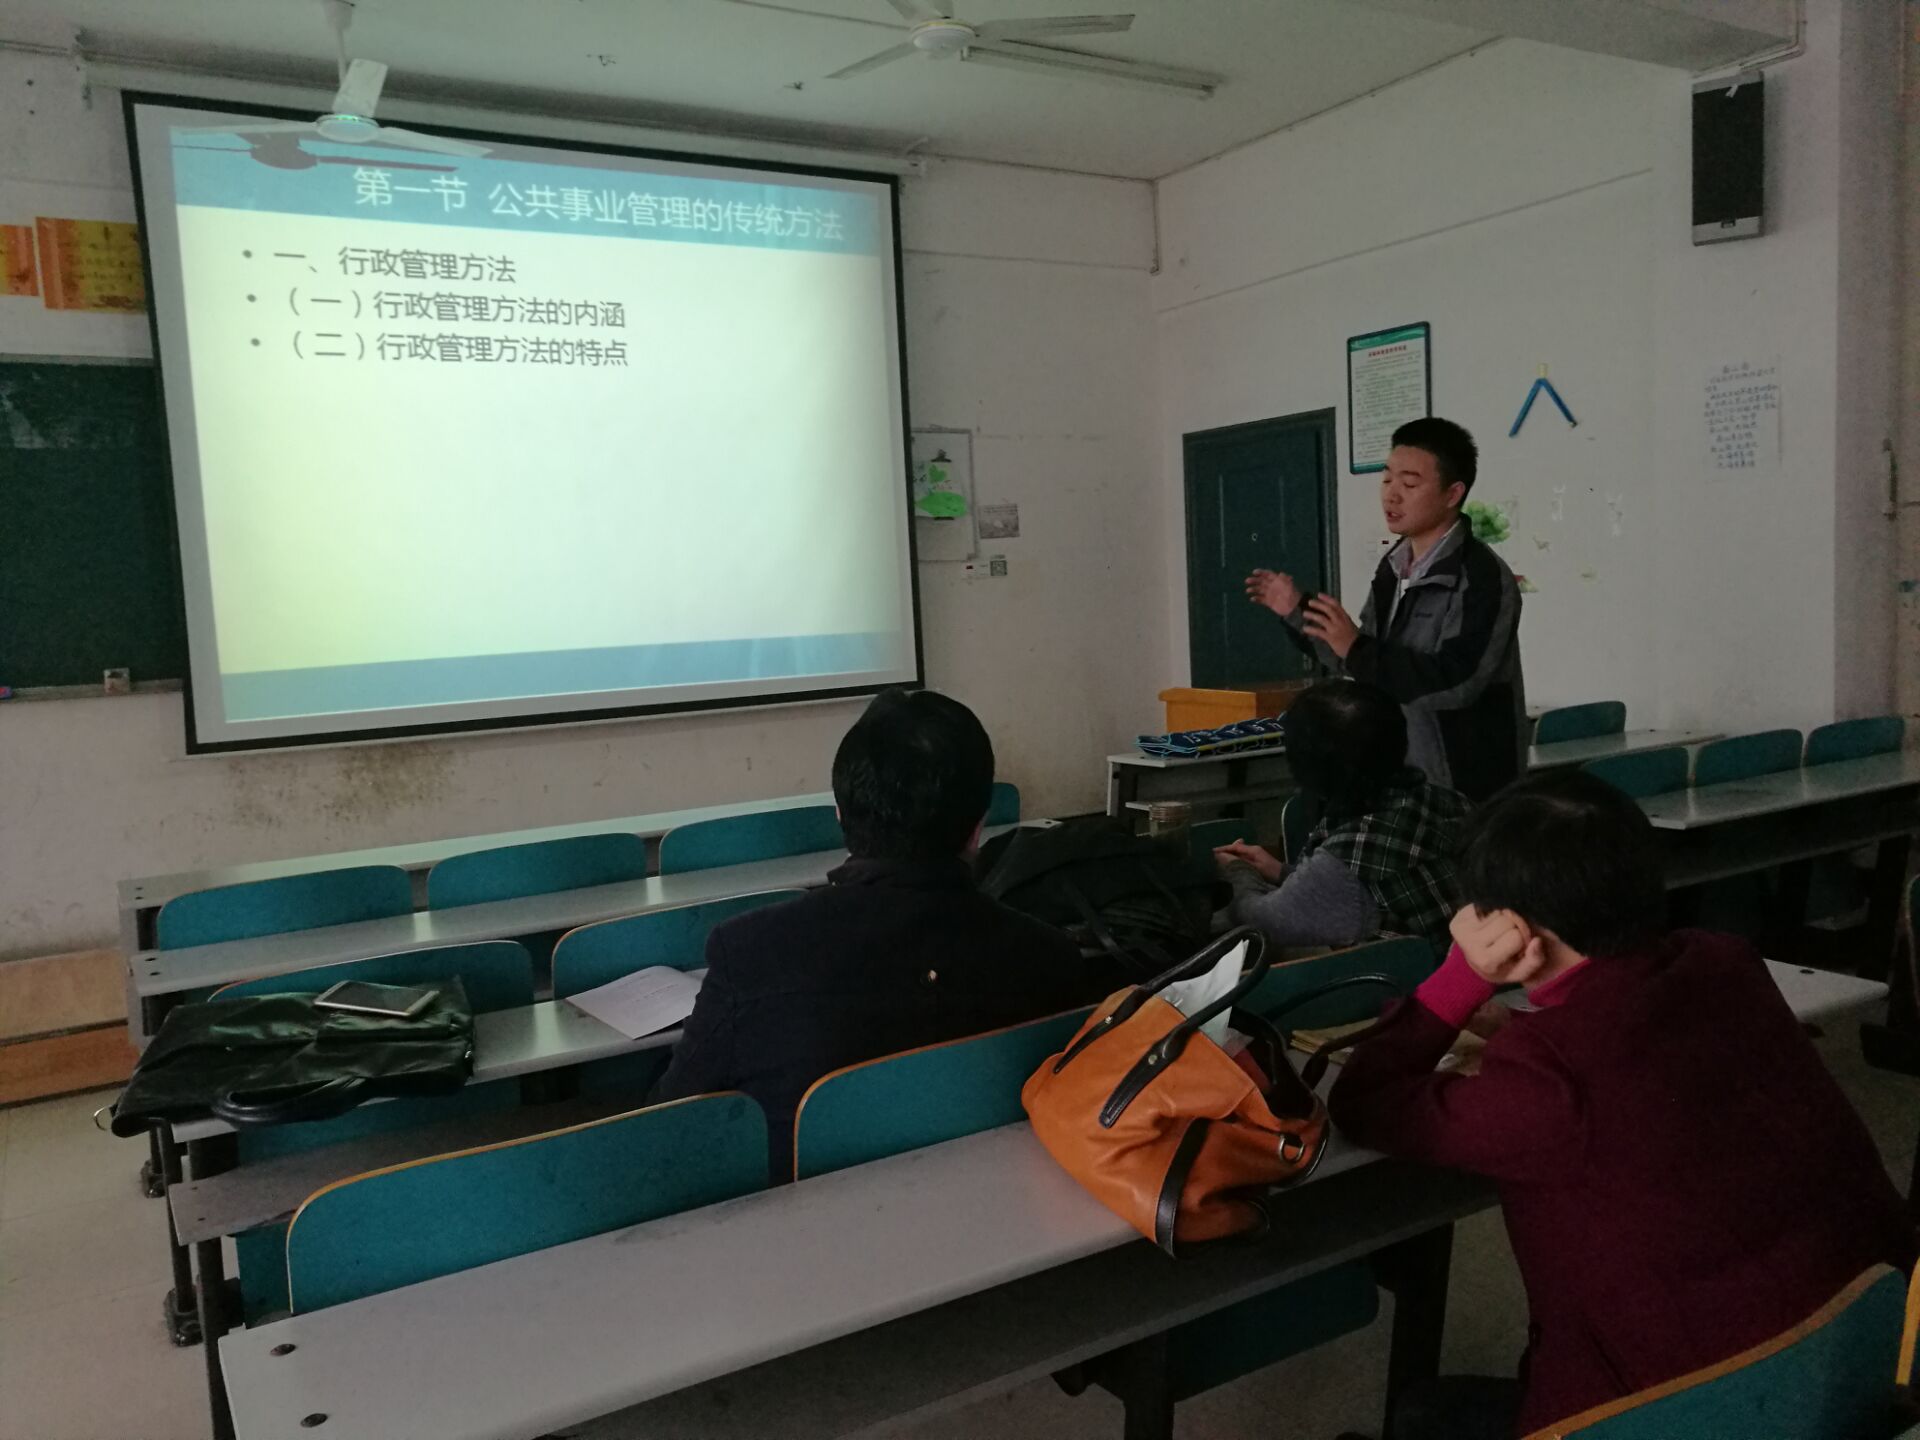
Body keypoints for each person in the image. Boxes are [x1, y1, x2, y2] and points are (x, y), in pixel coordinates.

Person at [1329, 770, 1914, 1440]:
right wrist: (1522, 1025)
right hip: (1858, 1368)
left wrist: (1461, 976)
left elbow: (1365, 1100)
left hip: (1694, 1411)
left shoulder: (1548, 1075)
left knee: (1424, 1414)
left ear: (1514, 931)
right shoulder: (1722, 960)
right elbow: (1641, 1055)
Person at [649, 688, 1112, 1182]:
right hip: (1002, 1199)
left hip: (805, 1219)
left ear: (840, 812)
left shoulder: (751, 953)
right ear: (978, 828)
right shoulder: (1050, 958)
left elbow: (668, 1122)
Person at [1246, 417, 1525, 802]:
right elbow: (1358, 661)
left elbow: (1458, 683)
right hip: (1398, 779)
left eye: (1409, 484)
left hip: (1466, 789)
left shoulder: (1483, 577)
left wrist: (1357, 648)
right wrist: (1296, 611)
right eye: (1387, 479)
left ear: (1452, 494)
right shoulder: (1393, 567)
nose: (1391, 495)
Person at [1213, 679, 1465, 955]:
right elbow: (1353, 893)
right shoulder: (1447, 801)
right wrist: (1281, 872)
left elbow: (1263, 923)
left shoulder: (1348, 855)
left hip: (1414, 980)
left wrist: (1239, 871)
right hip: (1472, 968)